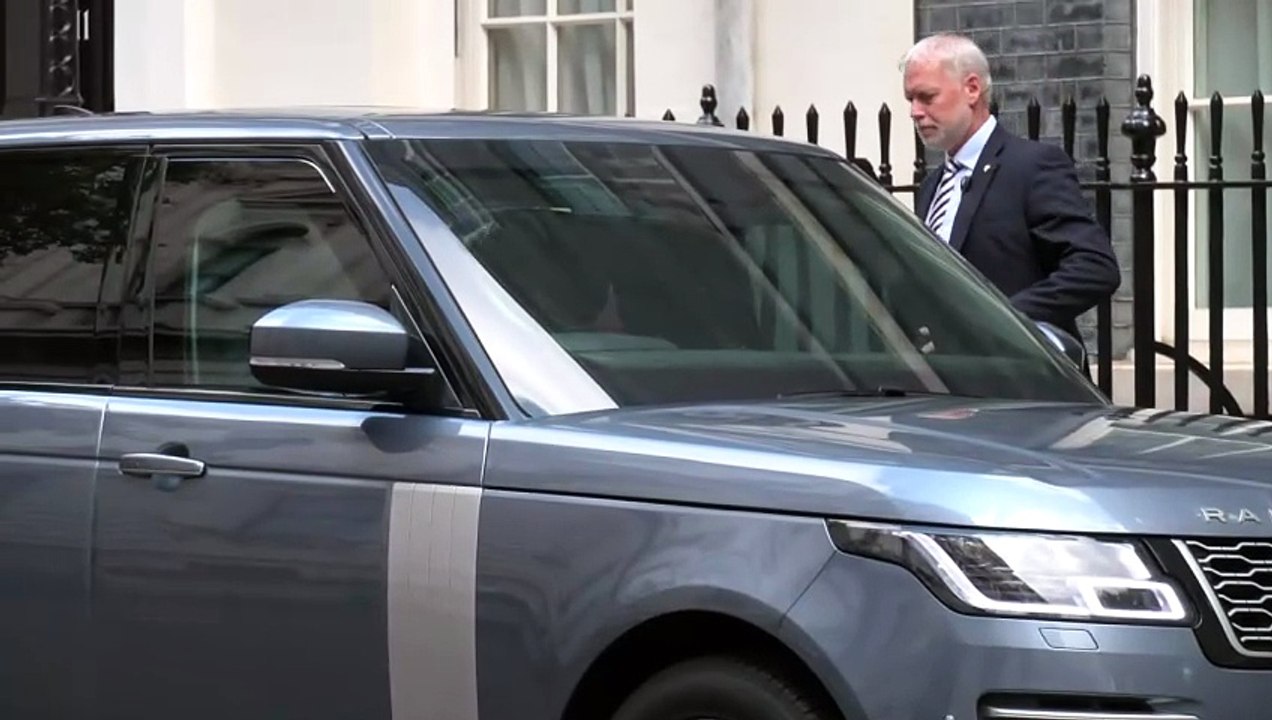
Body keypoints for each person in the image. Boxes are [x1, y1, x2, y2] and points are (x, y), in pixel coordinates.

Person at [901, 33, 1120, 346]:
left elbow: (1095, 268)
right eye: (910, 99)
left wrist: (1005, 321)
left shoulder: (1032, 167)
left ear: (972, 89)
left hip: (1021, 379)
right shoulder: (932, 186)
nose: (915, 111)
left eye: (927, 96)